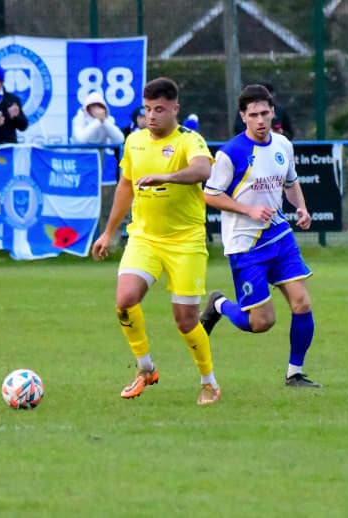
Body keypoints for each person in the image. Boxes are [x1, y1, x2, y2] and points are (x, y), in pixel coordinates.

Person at [91, 77, 221, 405]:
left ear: (175, 109)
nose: (151, 116)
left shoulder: (189, 140)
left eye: (159, 109)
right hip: (144, 238)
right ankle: (146, 368)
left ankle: (209, 382)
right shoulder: (134, 141)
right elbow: (125, 186)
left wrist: (167, 176)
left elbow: (203, 170)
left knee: (185, 320)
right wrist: (108, 232)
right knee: (125, 300)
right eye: (148, 109)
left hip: (186, 241)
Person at [199, 84, 321, 388]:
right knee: (261, 322)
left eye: (265, 113)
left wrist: (302, 208)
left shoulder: (283, 145)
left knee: (302, 303)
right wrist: (247, 210)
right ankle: (219, 304)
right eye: (253, 115)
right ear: (243, 116)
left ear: (273, 112)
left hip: (279, 235)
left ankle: (294, 373)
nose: (260, 120)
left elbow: (291, 182)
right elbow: (210, 195)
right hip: (245, 245)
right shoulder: (230, 153)